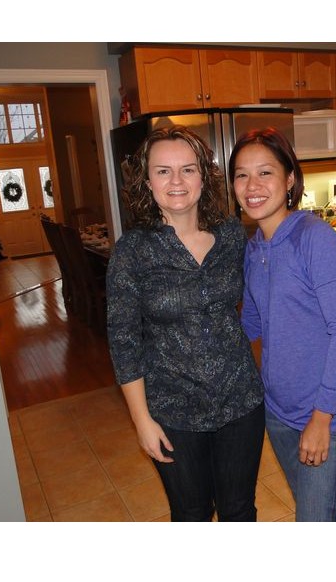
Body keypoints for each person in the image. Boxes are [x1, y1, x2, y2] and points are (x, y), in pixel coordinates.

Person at [106, 126, 265, 522]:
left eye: (187, 170)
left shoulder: (232, 234)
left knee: (239, 510)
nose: (176, 181)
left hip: (240, 401)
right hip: (172, 410)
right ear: (147, 181)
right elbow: (123, 341)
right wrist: (141, 420)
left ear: (203, 177)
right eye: (163, 171)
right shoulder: (132, 251)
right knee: (191, 513)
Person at [229, 127, 336, 522]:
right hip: (278, 411)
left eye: (265, 173)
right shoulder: (254, 246)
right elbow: (253, 322)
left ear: (289, 179)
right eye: (241, 174)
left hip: (326, 415)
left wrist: (322, 418)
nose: (252, 185)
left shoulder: (315, 239)